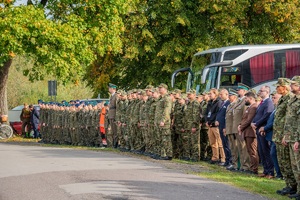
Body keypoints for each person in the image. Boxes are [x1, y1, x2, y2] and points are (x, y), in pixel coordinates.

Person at [282, 76, 300, 199]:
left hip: (296, 137)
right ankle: (296, 189)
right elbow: (289, 120)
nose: (291, 86)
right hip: (290, 136)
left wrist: (298, 139)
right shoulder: (293, 99)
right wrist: (285, 136)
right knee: (294, 166)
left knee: (298, 166)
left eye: (293, 84)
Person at [251, 85, 274, 178]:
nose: (260, 92)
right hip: (258, 128)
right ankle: (265, 170)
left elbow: (266, 116)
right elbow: (258, 114)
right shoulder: (262, 102)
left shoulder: (268, 102)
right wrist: (253, 122)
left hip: (263, 129)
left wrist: (256, 123)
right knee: (261, 151)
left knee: (266, 151)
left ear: (267, 92)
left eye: (262, 91)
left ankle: (270, 172)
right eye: (260, 91)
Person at [259, 91, 283, 179]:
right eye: (272, 97)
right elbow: (270, 121)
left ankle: (278, 174)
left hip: (277, 135)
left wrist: (264, 128)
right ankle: (274, 173)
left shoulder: (279, 109)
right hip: (271, 134)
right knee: (271, 153)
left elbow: (274, 122)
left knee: (273, 154)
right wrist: (265, 128)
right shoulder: (275, 109)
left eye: (275, 98)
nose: (273, 99)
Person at [227, 83, 251, 171]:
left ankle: (245, 166)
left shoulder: (245, 101)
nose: (238, 91)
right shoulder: (238, 102)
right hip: (234, 128)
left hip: (240, 128)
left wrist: (241, 126)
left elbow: (245, 116)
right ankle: (239, 165)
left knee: (243, 148)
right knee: (237, 148)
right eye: (237, 90)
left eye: (239, 90)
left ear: (245, 91)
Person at [238, 92, 258, 174]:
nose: (245, 100)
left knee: (253, 151)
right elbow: (244, 119)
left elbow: (249, 120)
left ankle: (254, 169)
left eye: (246, 98)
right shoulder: (249, 107)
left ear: (251, 98)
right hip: (247, 131)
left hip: (251, 132)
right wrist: (240, 125)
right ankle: (251, 167)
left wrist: (241, 127)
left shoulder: (254, 107)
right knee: (249, 151)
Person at [205, 88, 225, 164]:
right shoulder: (209, 102)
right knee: (213, 142)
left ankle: (223, 158)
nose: (209, 95)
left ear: (215, 94)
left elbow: (217, 114)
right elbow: (206, 113)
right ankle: (215, 157)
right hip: (210, 125)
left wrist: (212, 121)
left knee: (220, 143)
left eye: (211, 94)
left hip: (215, 125)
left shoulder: (219, 102)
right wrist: (207, 121)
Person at [215, 89, 231, 166]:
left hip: (225, 127)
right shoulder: (222, 103)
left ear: (226, 94)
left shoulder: (228, 103)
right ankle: (227, 160)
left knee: (227, 144)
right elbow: (219, 114)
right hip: (220, 126)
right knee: (224, 144)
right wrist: (217, 120)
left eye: (221, 94)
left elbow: (226, 117)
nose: (220, 96)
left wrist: (225, 126)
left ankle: (229, 161)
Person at [108, 83, 118, 148]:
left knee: (115, 130)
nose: (109, 89)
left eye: (109, 88)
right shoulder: (112, 96)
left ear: (113, 89)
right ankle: (114, 143)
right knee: (113, 130)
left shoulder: (116, 96)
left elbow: (117, 107)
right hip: (111, 115)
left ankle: (116, 143)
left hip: (114, 114)